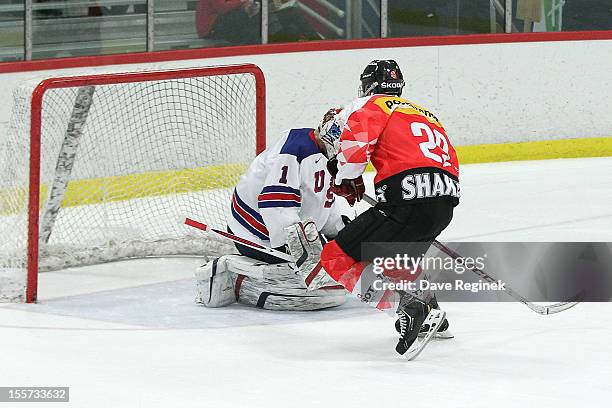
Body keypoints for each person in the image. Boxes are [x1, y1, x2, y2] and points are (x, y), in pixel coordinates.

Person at [288, 60, 460, 357]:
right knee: (397, 256)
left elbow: (354, 151)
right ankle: (432, 311)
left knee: (336, 257)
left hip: (406, 200)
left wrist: (344, 177)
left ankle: (404, 306)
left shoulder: (371, 104)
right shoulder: (424, 113)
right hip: (444, 202)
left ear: (367, 86)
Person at [195, 109, 349, 311]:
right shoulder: (295, 149)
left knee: (340, 269)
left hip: (293, 230)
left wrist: (342, 233)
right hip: (255, 233)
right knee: (323, 294)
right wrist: (304, 249)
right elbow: (275, 205)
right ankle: (235, 275)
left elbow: (322, 202)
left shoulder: (326, 156)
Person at [195, 0, 261, 45]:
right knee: (237, 16)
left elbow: (234, 4)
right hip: (209, 29)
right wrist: (242, 1)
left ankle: (252, 41)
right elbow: (223, 7)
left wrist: (248, 6)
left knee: (246, 17)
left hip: (218, 25)